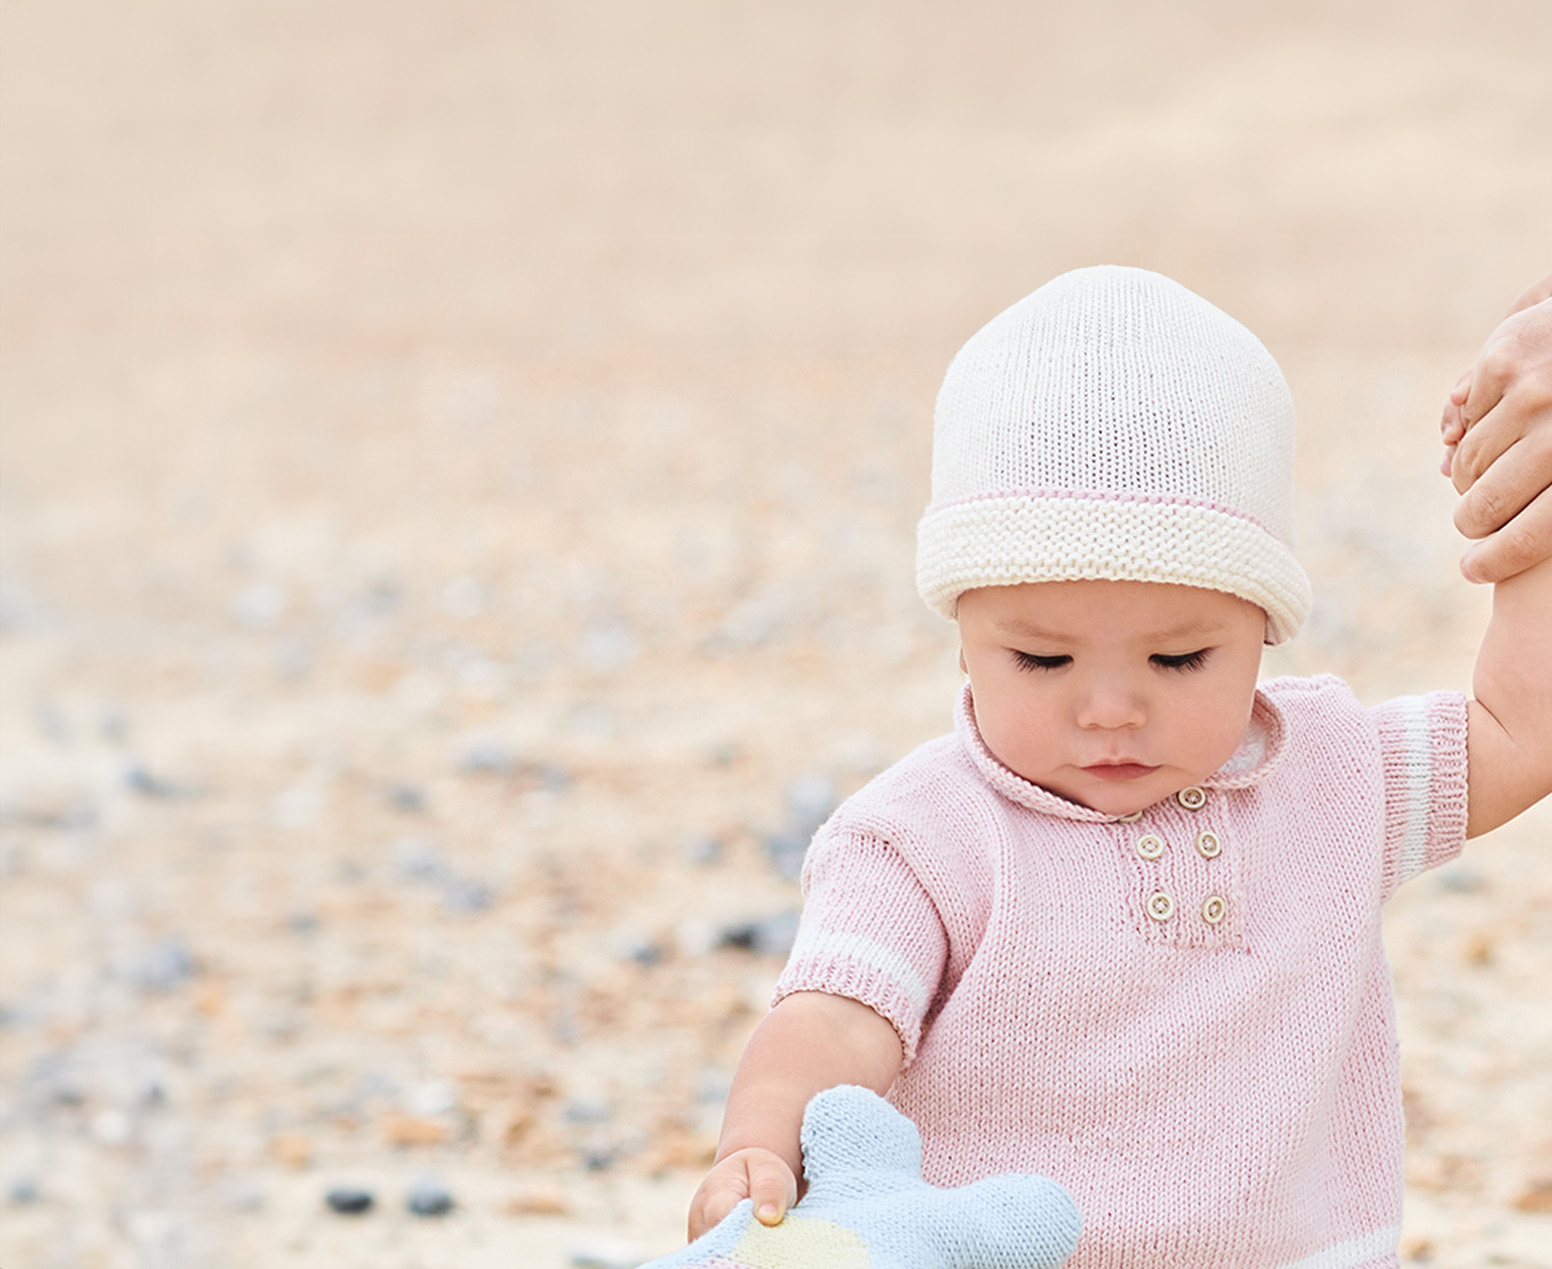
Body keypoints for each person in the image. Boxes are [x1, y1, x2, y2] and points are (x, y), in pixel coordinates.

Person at [685, 266, 1552, 1267]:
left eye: (1179, 658)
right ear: (963, 639)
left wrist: (1531, 527)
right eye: (1040, 659)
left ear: (1263, 633)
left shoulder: (1330, 774)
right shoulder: (920, 836)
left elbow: (1516, 733)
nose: (1109, 711)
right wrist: (757, 1144)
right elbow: (836, 1020)